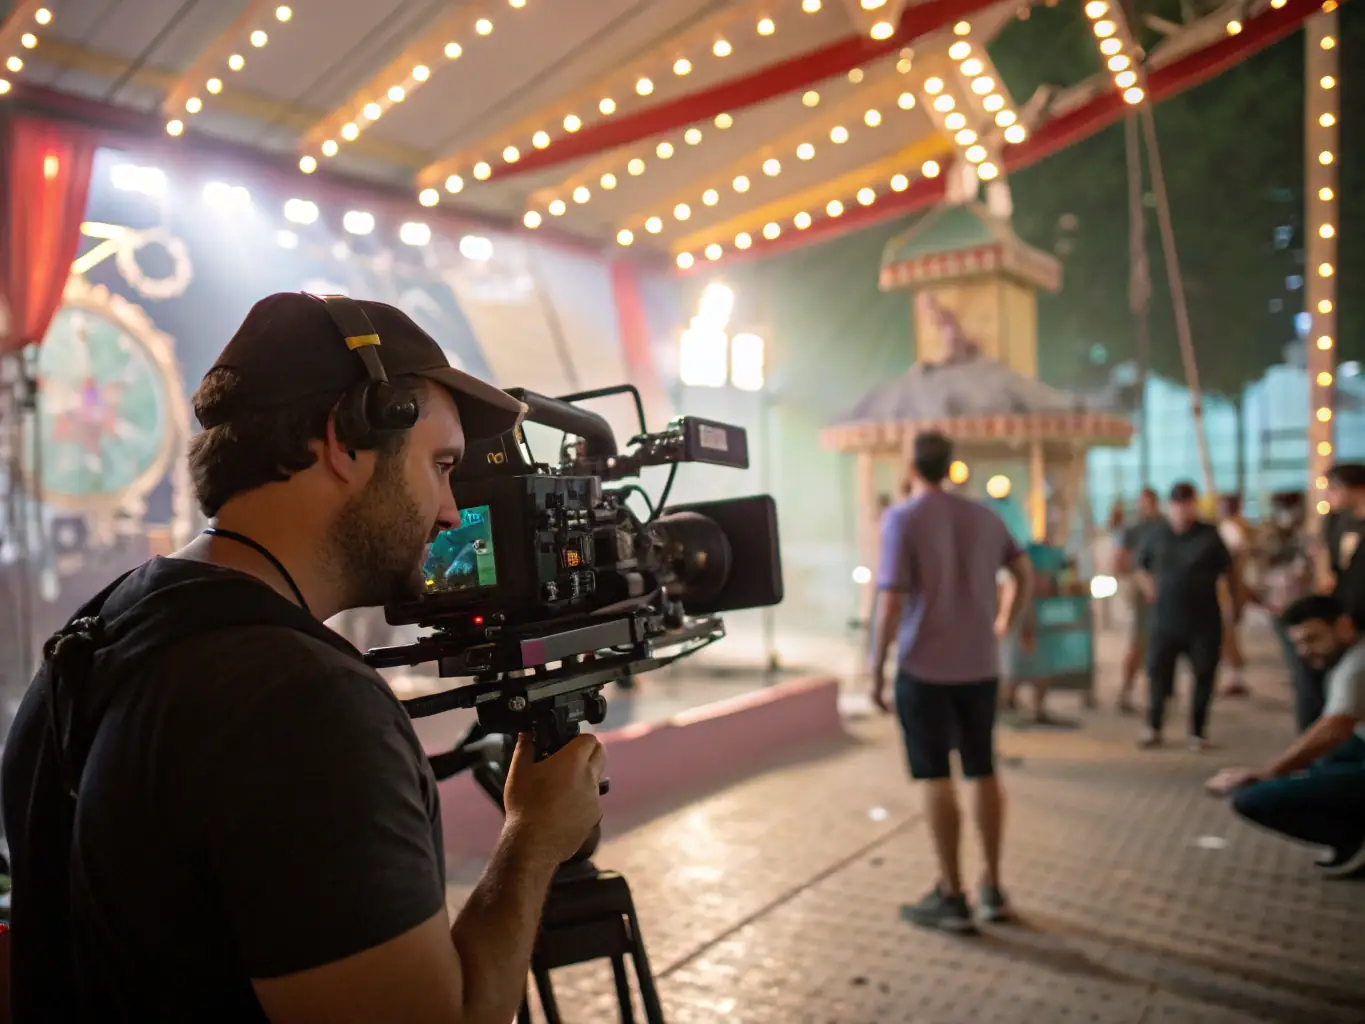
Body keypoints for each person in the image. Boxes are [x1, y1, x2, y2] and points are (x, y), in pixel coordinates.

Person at [1, 292, 607, 1023]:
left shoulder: (101, 631)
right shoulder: (304, 707)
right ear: (345, 441)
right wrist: (535, 839)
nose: (451, 511)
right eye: (441, 465)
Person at [869, 431, 1035, 933]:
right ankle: (993, 886)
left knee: (935, 775)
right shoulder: (985, 515)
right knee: (982, 768)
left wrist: (876, 668)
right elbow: (1023, 573)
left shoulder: (902, 518)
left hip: (924, 669)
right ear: (950, 464)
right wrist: (1006, 621)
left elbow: (892, 602)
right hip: (981, 665)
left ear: (911, 465)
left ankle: (952, 893)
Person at [1207, 594, 1365, 879]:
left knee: (1255, 799)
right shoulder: (1351, 659)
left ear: (1344, 626)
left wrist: (1268, 773)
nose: (1305, 651)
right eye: (1299, 644)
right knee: (1317, 767)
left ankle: (1355, 839)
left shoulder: (1356, 667)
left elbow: (1333, 729)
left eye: (1313, 639)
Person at [1133, 481, 1239, 751]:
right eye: (1177, 506)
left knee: (1204, 673)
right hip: (1165, 619)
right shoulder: (1157, 534)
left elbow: (1230, 572)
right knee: (1158, 673)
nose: (1182, 511)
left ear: (1194, 505)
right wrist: (1150, 588)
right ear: (1171, 507)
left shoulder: (1210, 535)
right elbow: (1140, 566)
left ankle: (1197, 732)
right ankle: (1153, 726)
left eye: (1187, 505)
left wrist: (1236, 607)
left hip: (1203, 620)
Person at [1113, 487, 1162, 714]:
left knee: (1160, 645)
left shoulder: (1164, 527)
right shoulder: (1134, 531)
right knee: (1140, 641)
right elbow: (1121, 563)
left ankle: (1157, 693)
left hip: (1166, 592)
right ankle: (1127, 690)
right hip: (1144, 593)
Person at [1216, 494, 1253, 697]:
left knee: (1226, 633)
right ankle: (1233, 676)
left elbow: (1232, 565)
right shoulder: (1234, 528)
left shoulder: (1232, 529)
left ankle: (1235, 677)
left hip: (1227, 589)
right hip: (1228, 588)